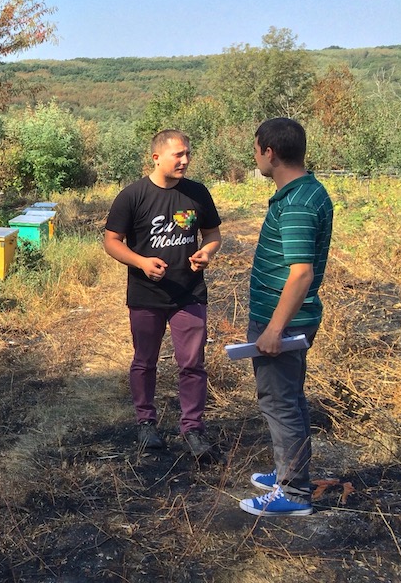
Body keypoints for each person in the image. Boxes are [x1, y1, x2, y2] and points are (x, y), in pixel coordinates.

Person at [104, 130, 222, 459]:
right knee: (145, 361)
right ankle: (146, 423)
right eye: (178, 155)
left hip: (189, 292)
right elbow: (112, 240)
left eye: (188, 154)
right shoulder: (132, 196)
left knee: (193, 364)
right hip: (146, 294)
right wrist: (141, 262)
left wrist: (208, 252)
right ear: (156, 158)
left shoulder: (197, 193)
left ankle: (193, 428)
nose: (185, 160)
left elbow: (212, 233)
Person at [240, 118, 333, 517]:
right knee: (290, 399)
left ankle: (293, 494)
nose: (256, 155)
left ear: (269, 152)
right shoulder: (306, 191)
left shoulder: (295, 202)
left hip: (284, 322)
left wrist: (275, 328)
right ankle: (288, 473)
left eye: (256, 148)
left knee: (279, 403)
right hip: (292, 319)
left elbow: (301, 273)